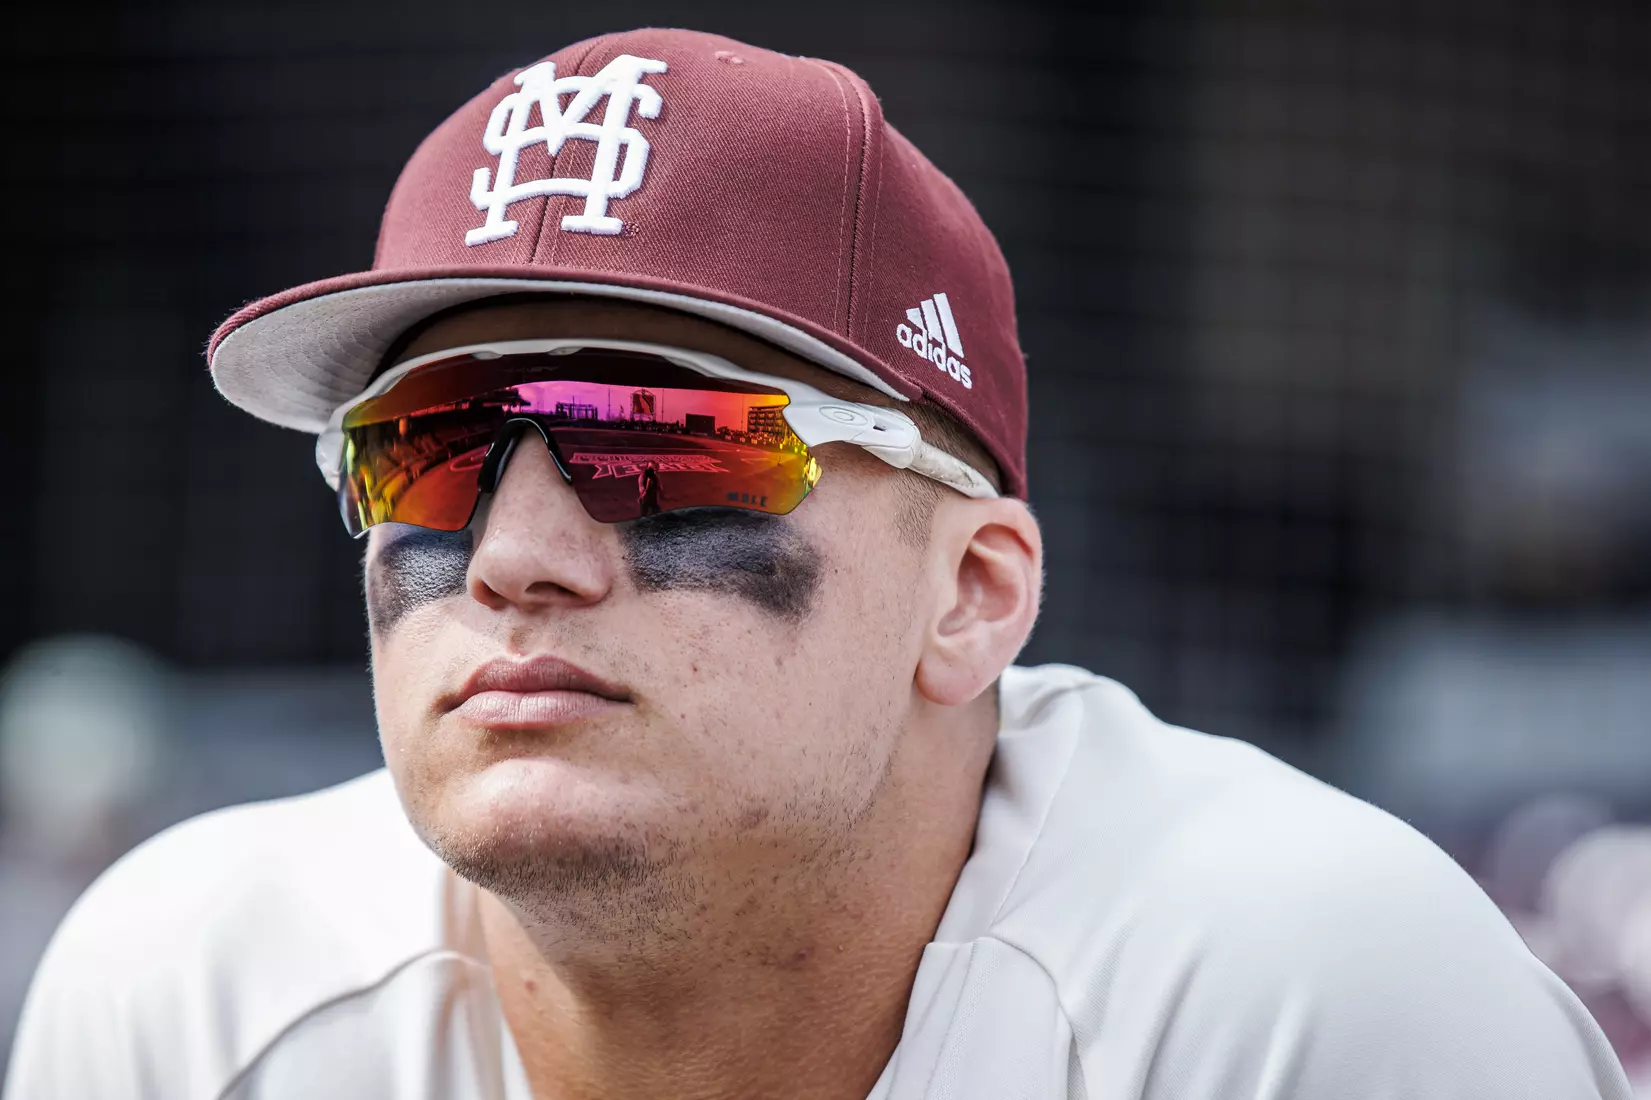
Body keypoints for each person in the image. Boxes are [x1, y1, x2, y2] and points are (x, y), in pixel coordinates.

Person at [4, 27, 1632, 1100]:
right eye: (421, 446)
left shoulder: (1294, 999)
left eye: (659, 442)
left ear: (973, 594)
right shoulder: (192, 998)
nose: (512, 553)